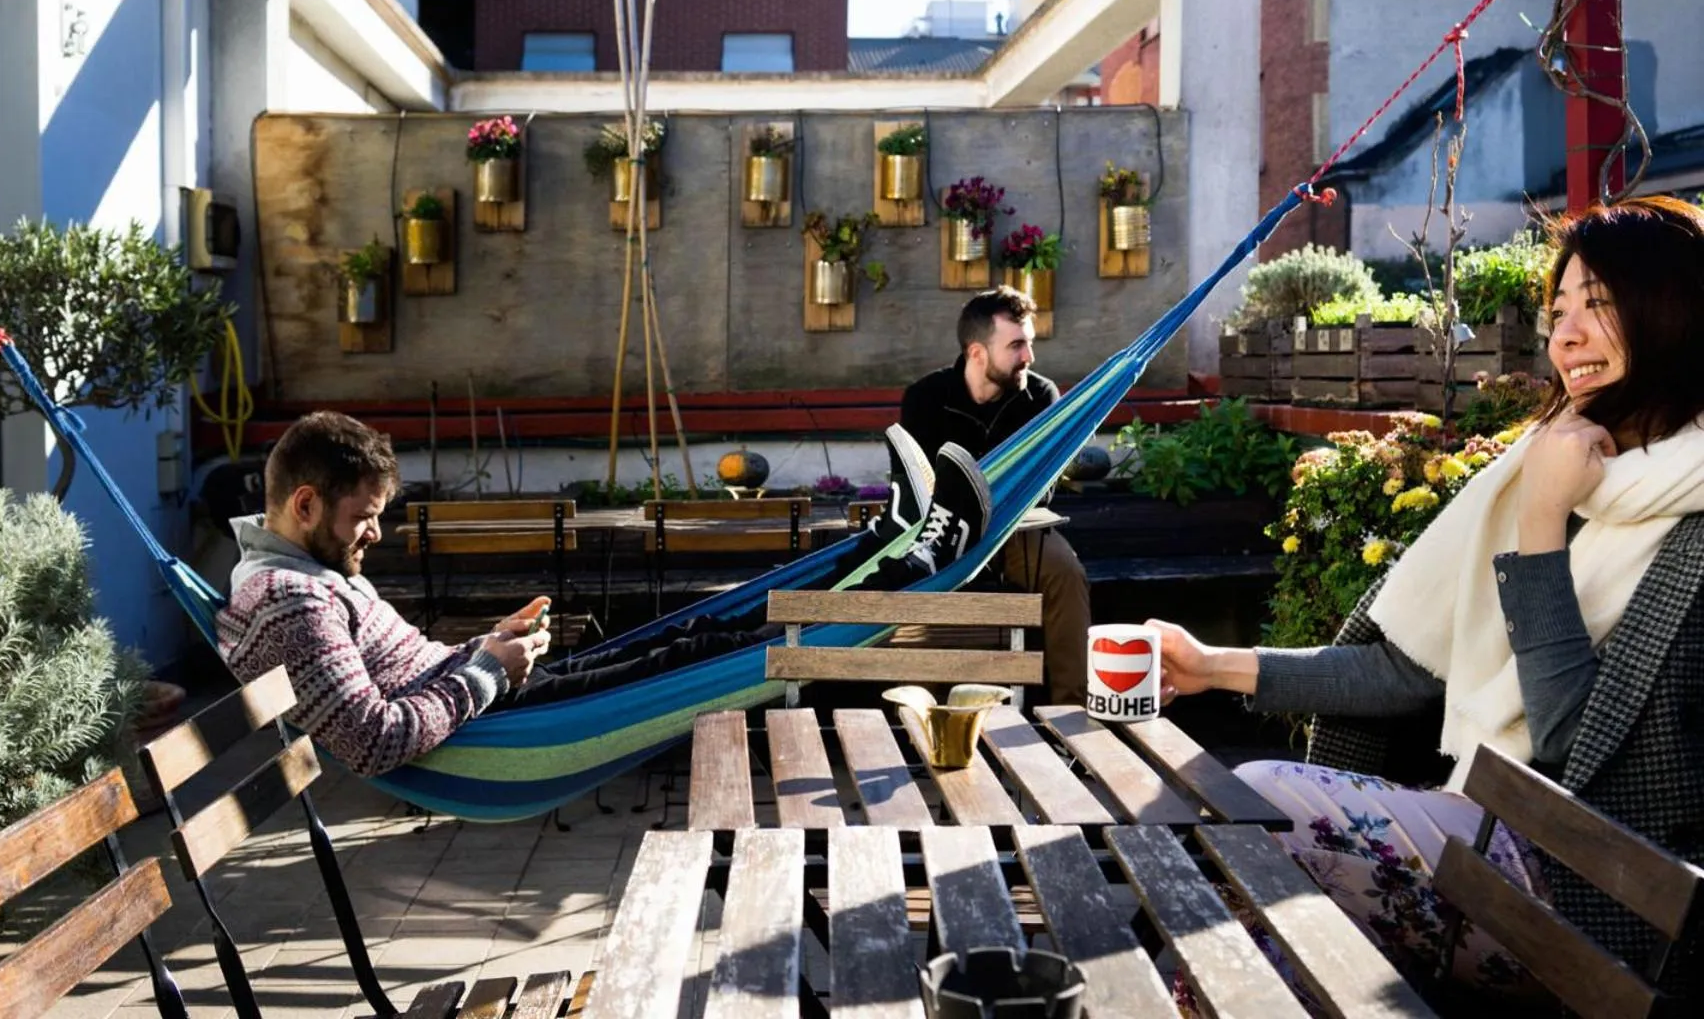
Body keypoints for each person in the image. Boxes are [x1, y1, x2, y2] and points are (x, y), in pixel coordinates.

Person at [1151, 195, 1704, 999]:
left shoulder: (1677, 516)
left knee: (1261, 809)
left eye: (1600, 304)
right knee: (1242, 859)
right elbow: (1406, 672)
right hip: (1493, 836)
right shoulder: (1559, 468)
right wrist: (1209, 666)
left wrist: (1541, 521)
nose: (1566, 336)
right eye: (1558, 311)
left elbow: (1569, 744)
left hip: (1593, 897)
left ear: (1676, 313)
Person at [217, 411, 992, 777]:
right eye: (364, 517)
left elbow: (395, 680)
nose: (376, 535)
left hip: (498, 698)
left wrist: (487, 646)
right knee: (717, 648)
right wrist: (486, 670)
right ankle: (913, 565)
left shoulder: (293, 576)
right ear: (306, 504)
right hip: (500, 725)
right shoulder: (291, 598)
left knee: (700, 635)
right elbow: (373, 740)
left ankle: (883, 543)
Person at [900, 286, 1095, 704]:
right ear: (977, 353)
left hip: (1015, 531)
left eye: (1030, 343)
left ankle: (1071, 712)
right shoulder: (925, 399)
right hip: (942, 537)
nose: (1029, 356)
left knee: (1065, 572)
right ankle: (921, 716)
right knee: (913, 585)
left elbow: (1043, 487)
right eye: (1017, 345)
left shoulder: (1041, 396)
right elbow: (916, 486)